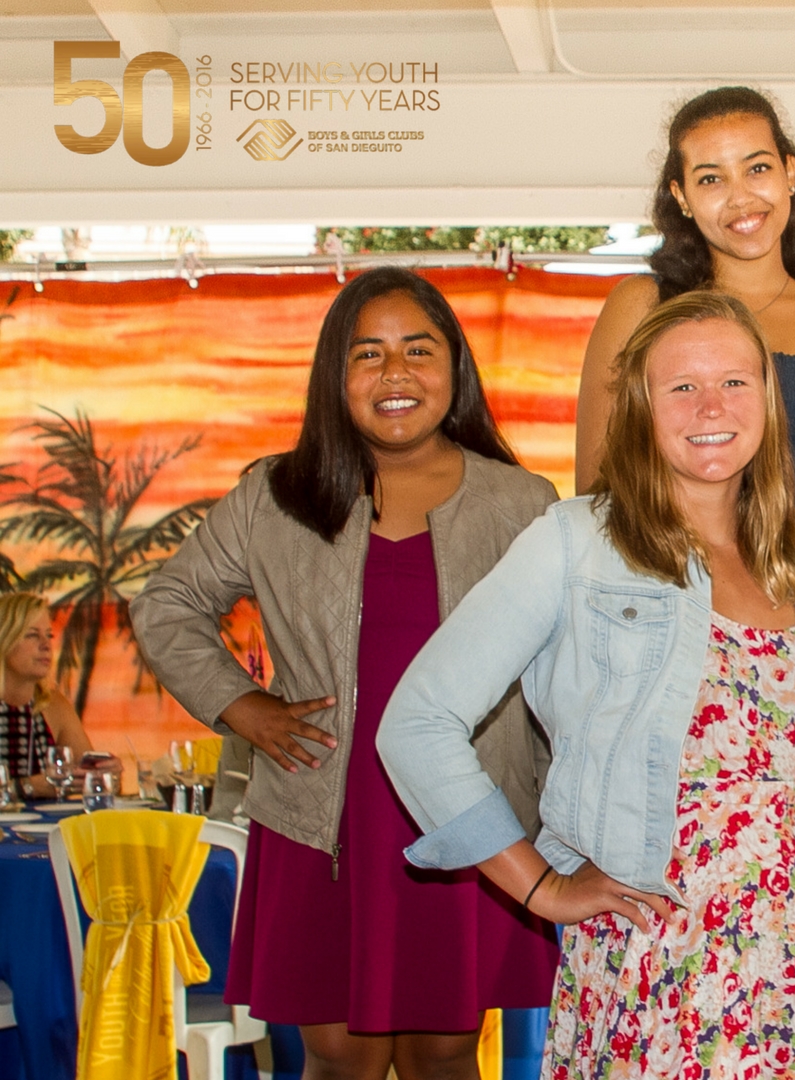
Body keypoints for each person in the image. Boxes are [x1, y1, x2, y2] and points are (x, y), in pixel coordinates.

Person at [379, 291, 795, 1080]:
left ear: (768, 401)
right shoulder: (575, 542)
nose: (711, 405)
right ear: (642, 408)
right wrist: (540, 887)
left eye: (735, 382)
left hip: (793, 957)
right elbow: (416, 722)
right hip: (652, 957)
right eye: (682, 386)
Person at [130, 267, 560, 1080]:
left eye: (418, 350)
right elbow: (167, 606)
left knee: (445, 1049)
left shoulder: (525, 503)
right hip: (323, 809)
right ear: (335, 374)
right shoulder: (276, 494)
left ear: (455, 368)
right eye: (368, 354)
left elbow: (572, 663)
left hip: (465, 808)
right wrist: (242, 706)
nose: (395, 374)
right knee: (338, 1053)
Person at [576, 86, 795, 644]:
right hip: (669, 634)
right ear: (680, 195)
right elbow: (599, 493)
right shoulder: (640, 308)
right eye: (710, 178)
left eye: (758, 168)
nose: (741, 197)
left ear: (790, 172)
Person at [0, 593, 91, 798]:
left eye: (49, 635)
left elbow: (89, 778)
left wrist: (106, 774)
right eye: (32, 635)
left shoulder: (51, 704)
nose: (46, 645)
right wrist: (27, 787)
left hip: (43, 829)